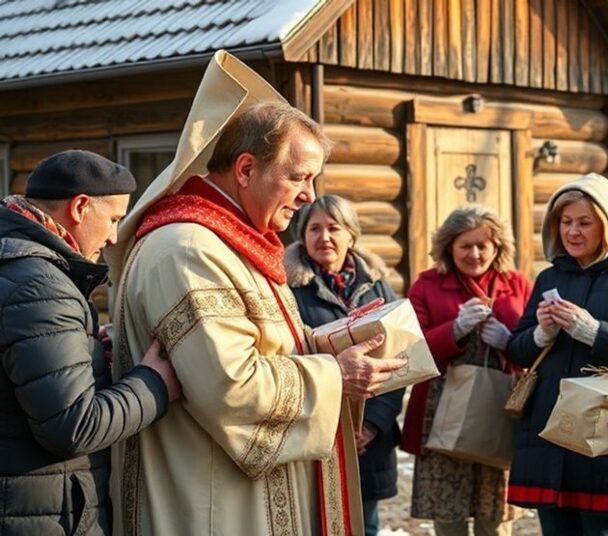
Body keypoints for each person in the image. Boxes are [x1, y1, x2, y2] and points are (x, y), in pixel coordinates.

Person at [107, 84, 406, 533]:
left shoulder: (230, 240)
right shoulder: (188, 248)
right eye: (299, 177)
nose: (308, 196)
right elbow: (231, 387)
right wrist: (334, 373)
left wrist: (328, 342)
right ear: (246, 169)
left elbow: (263, 348)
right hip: (209, 505)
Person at [0, 150, 180, 535]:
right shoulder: (41, 285)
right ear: (81, 207)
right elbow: (73, 427)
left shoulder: (17, 265)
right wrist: (155, 383)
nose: (115, 236)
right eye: (114, 218)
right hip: (40, 516)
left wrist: (91, 355)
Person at [505, 173, 608, 536]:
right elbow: (517, 350)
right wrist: (540, 333)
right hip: (549, 430)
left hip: (607, 433)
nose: (572, 232)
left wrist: (593, 332)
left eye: (584, 222)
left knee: (607, 530)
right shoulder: (550, 278)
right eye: (565, 222)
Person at [401, 205, 532, 536]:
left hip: (499, 410)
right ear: (449, 247)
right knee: (448, 517)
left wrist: (509, 341)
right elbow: (411, 351)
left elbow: (535, 348)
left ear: (497, 246)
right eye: (465, 246)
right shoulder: (427, 285)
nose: (474, 254)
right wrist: (455, 329)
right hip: (442, 412)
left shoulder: (516, 285)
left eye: (482, 245)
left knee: (496, 518)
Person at [285, 195, 404, 536]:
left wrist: (372, 425)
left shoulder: (377, 285)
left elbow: (401, 357)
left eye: (334, 228)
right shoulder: (288, 288)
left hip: (369, 438)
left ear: (351, 235)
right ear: (302, 236)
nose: (324, 237)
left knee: (363, 525)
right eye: (314, 228)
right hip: (315, 430)